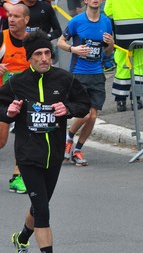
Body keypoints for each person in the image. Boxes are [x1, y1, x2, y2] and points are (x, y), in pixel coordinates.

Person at [0, 31, 91, 253]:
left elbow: (84, 104)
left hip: (54, 155)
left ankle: (21, 237)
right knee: (43, 209)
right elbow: (1, 107)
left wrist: (68, 109)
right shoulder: (16, 83)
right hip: (28, 155)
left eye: (47, 53)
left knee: (40, 205)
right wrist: (9, 112)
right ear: (29, 58)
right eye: (38, 54)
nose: (43, 58)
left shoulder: (65, 79)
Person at [57, 0, 113, 166]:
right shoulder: (77, 21)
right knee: (86, 114)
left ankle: (77, 149)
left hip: (97, 73)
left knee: (93, 117)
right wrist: (73, 49)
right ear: (85, 0)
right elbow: (60, 42)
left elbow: (107, 53)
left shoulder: (106, 22)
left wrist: (111, 43)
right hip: (79, 73)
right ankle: (68, 137)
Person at [1, 4, 31, 195]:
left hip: (25, 98)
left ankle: (17, 176)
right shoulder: (2, 38)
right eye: (9, 16)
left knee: (24, 137)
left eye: (16, 16)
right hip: (2, 97)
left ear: (26, 20)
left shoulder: (33, 40)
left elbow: (45, 64)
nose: (11, 19)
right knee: (1, 141)